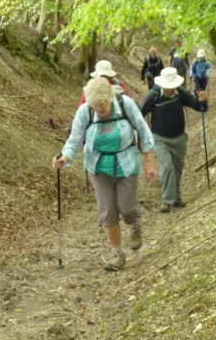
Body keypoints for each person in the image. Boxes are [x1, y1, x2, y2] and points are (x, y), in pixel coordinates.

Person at [53, 76, 156, 271]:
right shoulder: (85, 112)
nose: (101, 111)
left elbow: (144, 132)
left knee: (126, 207)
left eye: (104, 107)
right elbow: (75, 139)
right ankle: (117, 253)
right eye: (96, 108)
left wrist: (149, 162)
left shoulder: (126, 105)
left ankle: (135, 224)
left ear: (110, 98)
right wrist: (65, 157)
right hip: (98, 166)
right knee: (107, 211)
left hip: (126, 162)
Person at [140, 67, 208, 212]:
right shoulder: (154, 95)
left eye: (173, 87)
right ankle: (167, 201)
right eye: (168, 87)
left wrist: (203, 100)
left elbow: (199, 107)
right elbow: (140, 113)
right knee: (167, 167)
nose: (170, 90)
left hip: (179, 138)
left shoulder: (181, 92)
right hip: (160, 138)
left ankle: (176, 198)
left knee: (177, 168)